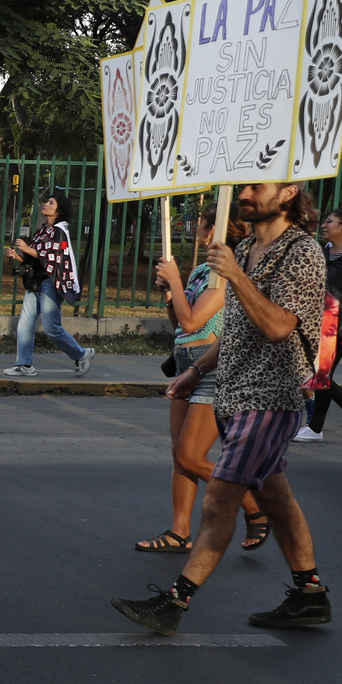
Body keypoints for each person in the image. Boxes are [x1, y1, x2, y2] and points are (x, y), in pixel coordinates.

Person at [113, 181, 331, 635]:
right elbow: (234, 331)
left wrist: (235, 276)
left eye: (255, 186)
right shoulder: (247, 246)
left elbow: (277, 327)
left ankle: (174, 603)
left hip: (270, 398)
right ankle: (310, 594)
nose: (245, 193)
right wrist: (195, 372)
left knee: (219, 503)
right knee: (278, 499)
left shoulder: (302, 252)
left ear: (289, 192)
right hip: (232, 393)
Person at [138, 208, 266, 552]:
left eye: (203, 223)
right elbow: (180, 322)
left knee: (193, 455)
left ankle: (255, 507)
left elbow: (195, 322)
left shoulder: (226, 276)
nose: (197, 227)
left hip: (211, 368)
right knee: (180, 455)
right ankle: (179, 532)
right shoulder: (200, 272)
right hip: (184, 362)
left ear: (216, 230)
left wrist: (176, 280)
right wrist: (169, 292)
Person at [2, 192, 96, 378]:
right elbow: (37, 258)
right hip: (35, 281)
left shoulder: (60, 231)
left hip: (51, 284)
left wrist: (28, 249)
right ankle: (24, 364)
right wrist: (19, 256)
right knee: (24, 324)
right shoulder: (44, 230)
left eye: (50, 203)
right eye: (47, 201)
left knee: (51, 328)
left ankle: (82, 354)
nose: (45, 204)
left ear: (59, 211)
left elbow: (54, 256)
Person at [294, 206, 342, 440]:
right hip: (316, 321)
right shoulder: (321, 253)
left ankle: (315, 428)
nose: (324, 225)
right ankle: (316, 427)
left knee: (320, 373)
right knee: (317, 373)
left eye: (330, 221)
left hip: (341, 324)